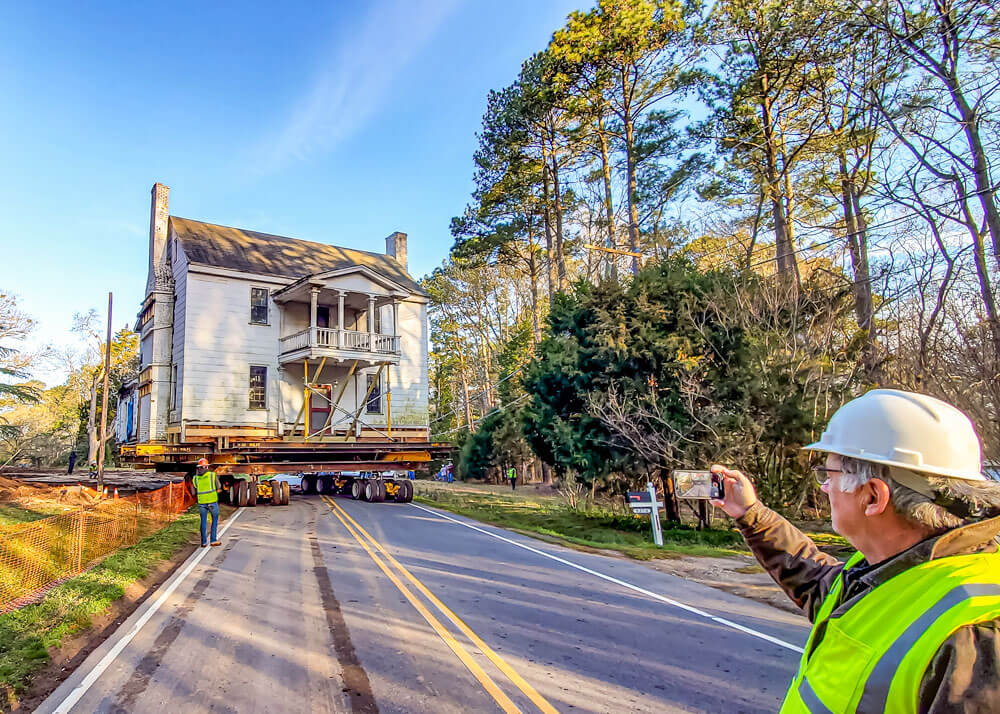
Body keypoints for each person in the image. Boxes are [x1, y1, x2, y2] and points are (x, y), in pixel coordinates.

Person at [711, 389, 1000, 713]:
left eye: (828, 474)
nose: (823, 487)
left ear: (873, 496)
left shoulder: (976, 635)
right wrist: (750, 512)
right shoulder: (895, 567)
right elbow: (823, 586)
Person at [191, 458, 221, 547]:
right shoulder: (212, 475)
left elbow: (193, 492)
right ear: (206, 466)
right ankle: (213, 540)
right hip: (212, 502)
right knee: (214, 520)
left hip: (202, 503)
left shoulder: (195, 478)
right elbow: (218, 486)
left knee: (203, 521)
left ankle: (204, 542)